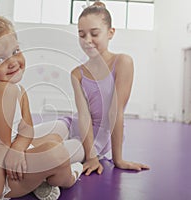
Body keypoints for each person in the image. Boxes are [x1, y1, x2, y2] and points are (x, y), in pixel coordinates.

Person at [0, 13, 83, 200]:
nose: (12, 62)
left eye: (15, 52)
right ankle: (69, 176)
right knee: (57, 153)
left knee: (54, 139)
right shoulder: (1, 90)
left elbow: (26, 129)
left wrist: (17, 149)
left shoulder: (16, 90)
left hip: (8, 165)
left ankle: (41, 179)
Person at [33, 1, 149, 175]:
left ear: (111, 33)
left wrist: (104, 157)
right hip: (73, 124)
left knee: (48, 156)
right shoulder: (77, 74)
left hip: (98, 138)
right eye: (81, 34)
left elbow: (115, 113)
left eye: (94, 33)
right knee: (24, 139)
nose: (87, 41)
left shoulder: (123, 62)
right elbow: (84, 116)